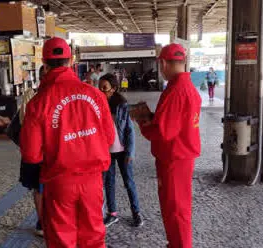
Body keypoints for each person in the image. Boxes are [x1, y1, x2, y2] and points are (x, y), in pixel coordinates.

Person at [19, 37, 115, 248]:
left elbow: (31, 155)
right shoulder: (96, 95)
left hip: (59, 183)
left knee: (62, 240)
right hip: (93, 181)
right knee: (94, 238)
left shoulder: (38, 103)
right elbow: (108, 137)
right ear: (70, 61)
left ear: (44, 63)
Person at [135, 44, 201, 248]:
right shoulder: (187, 88)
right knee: (178, 208)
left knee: (175, 210)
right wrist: (153, 119)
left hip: (173, 159)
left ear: (163, 63)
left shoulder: (176, 91)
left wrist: (143, 121)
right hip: (181, 156)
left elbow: (164, 132)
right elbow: (173, 124)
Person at [98, 73, 143, 228]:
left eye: (105, 88)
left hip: (123, 150)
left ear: (114, 89)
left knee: (128, 182)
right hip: (106, 152)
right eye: (100, 88)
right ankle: (112, 213)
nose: (101, 92)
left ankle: (136, 212)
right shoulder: (97, 106)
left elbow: (129, 130)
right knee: (109, 183)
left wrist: (130, 152)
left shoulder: (121, 105)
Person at [7, 66, 45, 237]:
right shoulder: (31, 98)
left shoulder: (37, 98)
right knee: (39, 188)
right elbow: (19, 126)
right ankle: (42, 221)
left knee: (46, 188)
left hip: (46, 153)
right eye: (45, 75)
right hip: (37, 153)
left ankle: (45, 221)